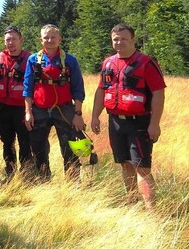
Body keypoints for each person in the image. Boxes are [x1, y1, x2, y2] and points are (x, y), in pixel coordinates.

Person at [91, 24, 166, 208]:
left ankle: (151, 210)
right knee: (125, 164)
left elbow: (158, 93)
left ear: (133, 40)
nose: (119, 42)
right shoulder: (108, 63)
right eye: (116, 39)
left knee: (142, 167)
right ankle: (132, 203)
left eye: (123, 38)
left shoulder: (146, 63)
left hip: (139, 123)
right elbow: (101, 90)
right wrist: (95, 116)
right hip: (115, 122)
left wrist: (154, 124)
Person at [23, 24, 86, 180]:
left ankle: (73, 183)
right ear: (40, 40)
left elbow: (78, 89)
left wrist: (78, 114)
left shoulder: (70, 60)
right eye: (46, 37)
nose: (49, 40)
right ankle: (43, 180)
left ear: (59, 39)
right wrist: (28, 112)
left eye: (53, 37)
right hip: (39, 110)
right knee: (38, 148)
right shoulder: (33, 60)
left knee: (69, 147)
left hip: (64, 110)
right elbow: (27, 88)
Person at [0, 25, 33, 177]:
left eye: (14, 39)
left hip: (22, 108)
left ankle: (27, 174)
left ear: (20, 40)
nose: (11, 43)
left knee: (25, 142)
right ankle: (10, 171)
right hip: (3, 107)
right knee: (7, 142)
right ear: (4, 41)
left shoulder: (30, 59)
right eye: (8, 40)